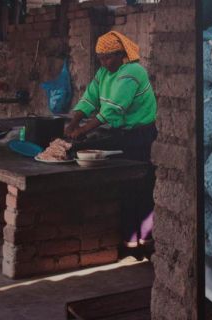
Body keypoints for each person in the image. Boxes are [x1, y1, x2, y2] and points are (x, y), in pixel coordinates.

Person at [65, 31, 157, 258]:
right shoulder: (104, 74)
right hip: (122, 134)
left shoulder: (133, 72)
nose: (104, 63)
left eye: (108, 58)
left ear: (121, 54)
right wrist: (73, 121)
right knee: (126, 188)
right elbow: (89, 98)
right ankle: (130, 243)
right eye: (100, 58)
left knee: (142, 188)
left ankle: (146, 242)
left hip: (141, 136)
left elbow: (114, 108)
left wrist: (83, 130)